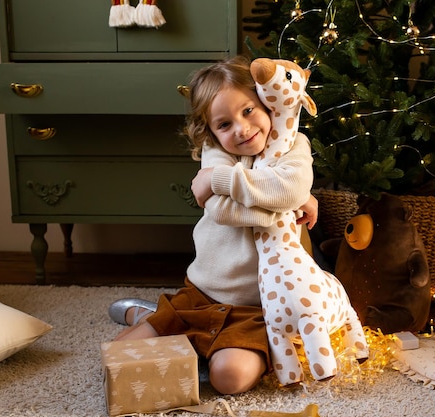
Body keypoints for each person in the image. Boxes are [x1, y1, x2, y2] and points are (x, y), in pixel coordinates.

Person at [108, 55, 318, 395]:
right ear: (210, 131)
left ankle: (201, 343)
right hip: (202, 294)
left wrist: (218, 180)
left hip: (257, 310)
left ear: (267, 102)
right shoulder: (215, 151)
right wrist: (282, 206)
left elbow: (290, 188)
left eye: (248, 110)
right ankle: (152, 319)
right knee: (121, 352)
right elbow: (223, 211)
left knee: (229, 379)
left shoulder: (294, 146)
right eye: (224, 124)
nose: (241, 128)